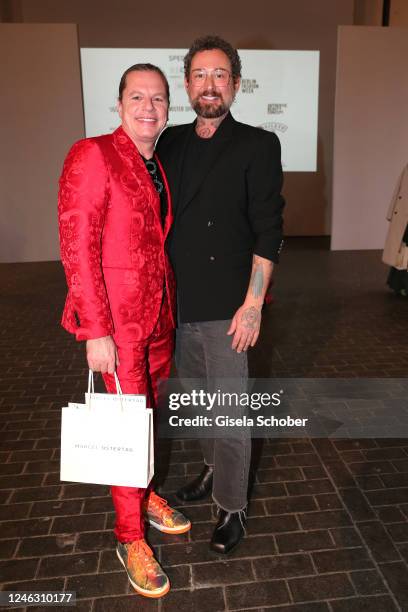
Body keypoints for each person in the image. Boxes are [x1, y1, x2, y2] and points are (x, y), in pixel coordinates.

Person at [58, 63, 190, 599]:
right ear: (118, 104)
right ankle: (129, 537)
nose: (149, 107)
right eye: (138, 97)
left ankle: (145, 493)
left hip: (156, 318)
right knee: (124, 430)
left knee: (148, 418)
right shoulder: (92, 154)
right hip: (115, 326)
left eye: (158, 99)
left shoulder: (155, 163)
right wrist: (95, 330)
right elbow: (77, 247)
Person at [157, 36, 285, 554]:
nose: (209, 85)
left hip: (230, 306)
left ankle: (232, 507)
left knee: (229, 412)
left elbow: (268, 229)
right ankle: (210, 470)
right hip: (179, 302)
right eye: (200, 75)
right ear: (187, 83)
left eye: (220, 75)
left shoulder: (257, 144)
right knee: (198, 403)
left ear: (235, 83)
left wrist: (252, 305)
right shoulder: (169, 143)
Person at [383, 164, 408, 296]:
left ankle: (401, 284)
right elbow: (398, 190)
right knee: (402, 250)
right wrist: (391, 212)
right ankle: (400, 284)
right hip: (405, 214)